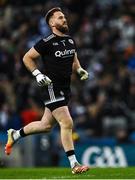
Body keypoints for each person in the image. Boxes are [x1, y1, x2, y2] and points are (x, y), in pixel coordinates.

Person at [5, 7, 89, 174]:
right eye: (60, 18)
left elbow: (73, 57)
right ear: (52, 23)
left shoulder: (70, 41)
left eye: (64, 17)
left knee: (45, 126)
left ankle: (15, 135)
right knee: (66, 122)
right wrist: (37, 74)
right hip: (51, 87)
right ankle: (74, 164)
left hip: (65, 88)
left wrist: (79, 70)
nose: (64, 19)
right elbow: (27, 57)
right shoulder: (46, 42)